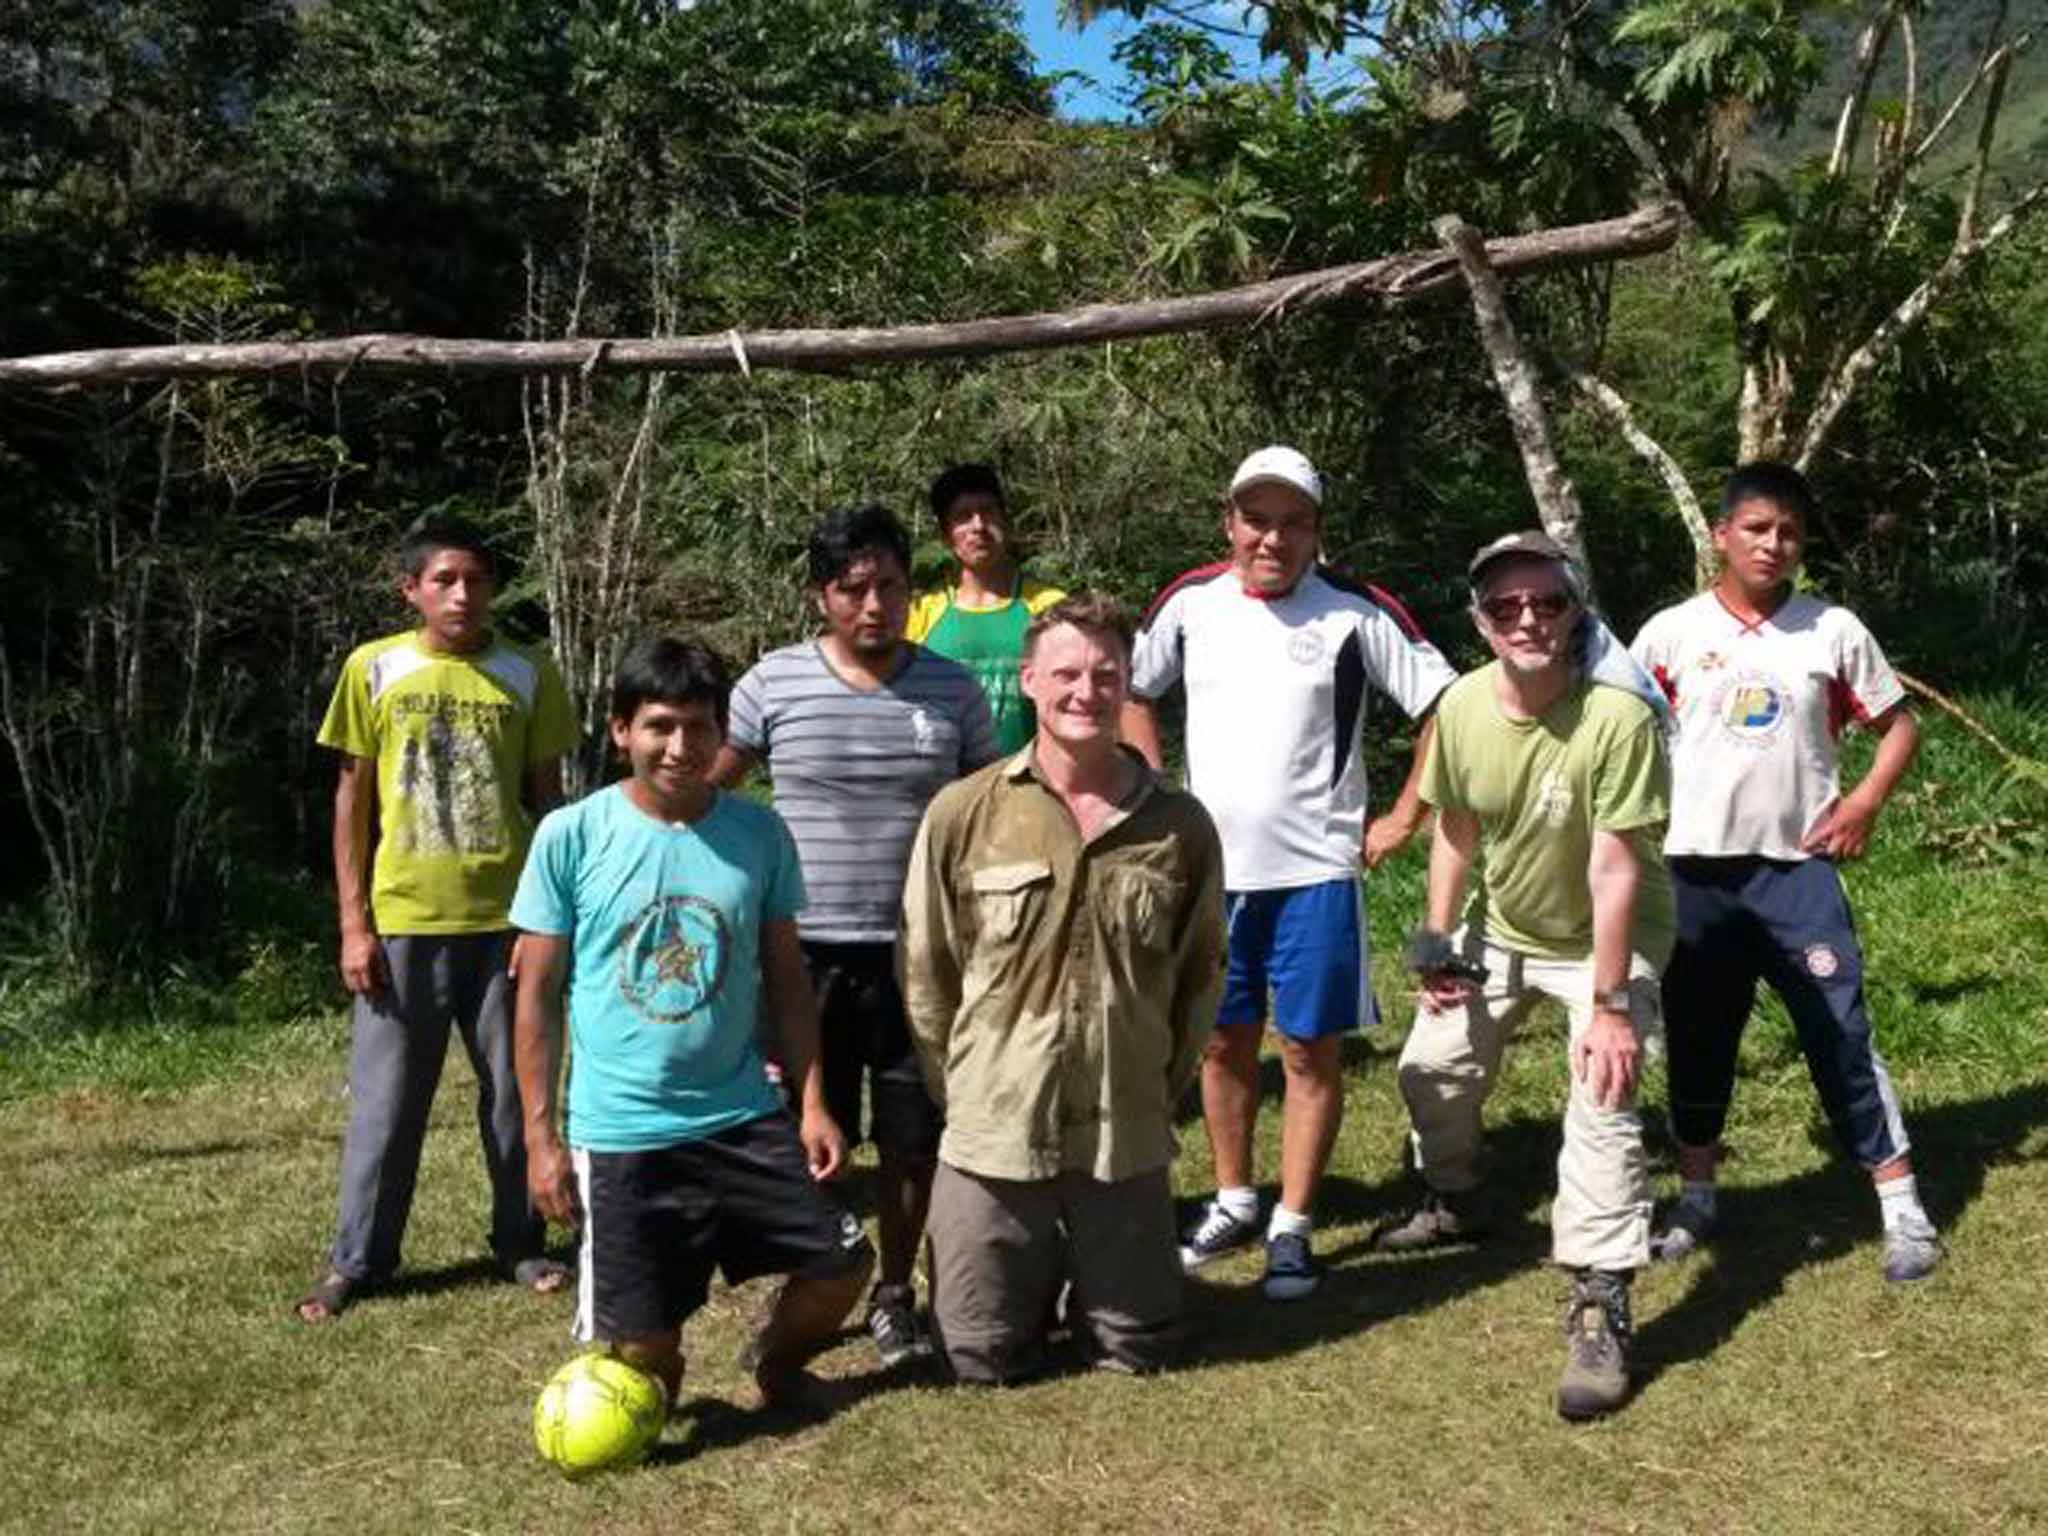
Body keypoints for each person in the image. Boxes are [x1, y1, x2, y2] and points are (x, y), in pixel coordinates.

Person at [1123, 446, 1456, 1301]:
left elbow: (1443, 708)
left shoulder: (1355, 612)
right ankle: (1234, 1198)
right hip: (1209, 874)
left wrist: (1404, 815)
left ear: (1316, 532)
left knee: (1308, 1050)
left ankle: (1295, 1226)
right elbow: (1130, 687)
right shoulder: (1190, 602)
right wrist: (1153, 793)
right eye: (1257, 519)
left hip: (1315, 873)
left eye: (1292, 522)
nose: (1272, 538)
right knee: (1221, 1039)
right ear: (1229, 522)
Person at [511, 638, 874, 1411]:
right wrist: (542, 1142)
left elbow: (786, 981)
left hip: (740, 1112)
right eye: (660, 727)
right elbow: (536, 997)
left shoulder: (759, 835)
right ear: (620, 732)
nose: (681, 748)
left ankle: (774, 1365)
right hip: (623, 1131)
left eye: (700, 728)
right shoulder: (569, 837)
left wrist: (811, 1105)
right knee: (648, 1356)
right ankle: (651, 1371)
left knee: (843, 1266)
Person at [900, 595, 1227, 1382]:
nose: (1086, 691)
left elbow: (1198, 977)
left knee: (1135, 1347)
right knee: (978, 1358)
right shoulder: (963, 812)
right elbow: (927, 972)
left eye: (1106, 674)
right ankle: (1021, 1266)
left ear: (1127, 684)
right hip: (995, 1128)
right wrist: (970, 1093)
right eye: (1067, 674)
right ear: (1029, 683)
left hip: (1123, 1134)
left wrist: (1152, 1085)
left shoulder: (1180, 825)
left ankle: (1095, 1270)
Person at [1386, 529, 1673, 1421]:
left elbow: (1616, 868)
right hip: (1502, 926)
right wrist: (1438, 942)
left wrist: (1611, 1005)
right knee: (1431, 1069)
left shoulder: (1617, 717)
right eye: (1506, 606)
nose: (1528, 620)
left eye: (1547, 603)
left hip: (1606, 940)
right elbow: (1455, 829)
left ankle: (1599, 1299)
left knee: (1603, 1093)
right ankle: (1460, 1196)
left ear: (1576, 611)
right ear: (1480, 621)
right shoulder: (1465, 708)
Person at [1630, 462, 1938, 1282]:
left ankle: (1901, 1204)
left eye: (1790, 532)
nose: (1774, 544)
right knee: (1698, 1038)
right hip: (1693, 873)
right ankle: (1697, 1197)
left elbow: (1898, 725)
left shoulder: (1831, 630)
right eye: (1758, 528)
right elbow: (1621, 735)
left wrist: (1866, 800)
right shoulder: (1669, 635)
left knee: (1839, 1031)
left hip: (1798, 872)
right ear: (1722, 536)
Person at [712, 503, 999, 1366]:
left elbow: (989, 812)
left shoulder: (952, 690)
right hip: (804, 956)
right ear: (820, 597)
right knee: (816, 1130)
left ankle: (896, 1292)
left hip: (920, 953)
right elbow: (710, 792)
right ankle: (822, 1271)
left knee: (913, 1137)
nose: (874, 605)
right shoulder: (771, 684)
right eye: (854, 589)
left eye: (891, 587)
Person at [296, 512, 577, 1323]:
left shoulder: (527, 673)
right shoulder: (373, 669)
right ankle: (359, 1259)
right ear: (410, 589)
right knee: (388, 1105)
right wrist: (354, 923)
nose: (462, 594)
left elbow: (549, 805)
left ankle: (521, 1242)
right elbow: (351, 799)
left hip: (509, 925)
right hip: (404, 924)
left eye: (476, 580)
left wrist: (549, 920)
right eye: (444, 580)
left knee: (514, 1096)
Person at [906, 463, 1066, 755]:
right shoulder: (920, 614)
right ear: (945, 535)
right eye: (963, 517)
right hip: (945, 789)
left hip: (1031, 786)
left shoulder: (1049, 607)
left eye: (988, 511)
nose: (978, 526)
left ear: (1006, 522)